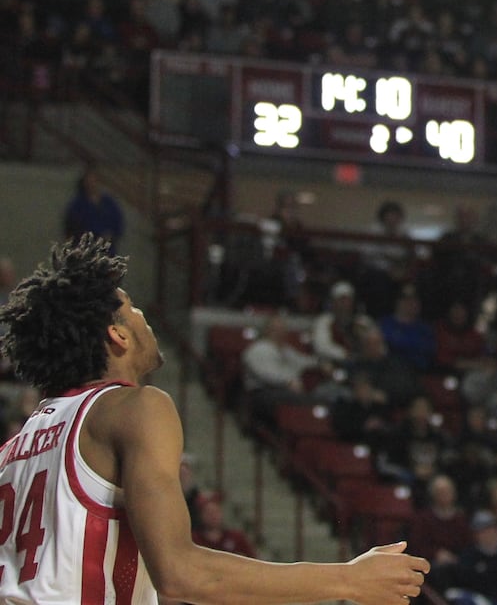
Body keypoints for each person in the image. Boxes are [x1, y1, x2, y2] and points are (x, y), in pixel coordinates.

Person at [0, 234, 430, 603]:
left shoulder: (13, 450)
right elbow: (181, 573)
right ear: (118, 334)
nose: (143, 316)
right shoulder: (136, 408)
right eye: (132, 309)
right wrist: (349, 579)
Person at [62, 163, 126, 254]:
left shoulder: (108, 203)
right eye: (89, 180)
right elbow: (71, 227)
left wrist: (110, 235)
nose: (92, 183)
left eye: (95, 180)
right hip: (84, 251)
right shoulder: (77, 205)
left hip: (106, 251)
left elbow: (118, 222)